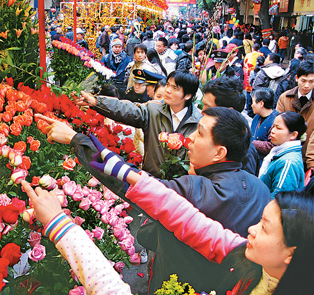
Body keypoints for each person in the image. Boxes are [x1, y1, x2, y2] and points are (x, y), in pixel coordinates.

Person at [35, 107, 271, 294]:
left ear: (219, 153)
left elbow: (131, 183)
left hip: (176, 282)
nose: (188, 138)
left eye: (199, 132)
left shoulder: (194, 189)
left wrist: (77, 140)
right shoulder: (261, 190)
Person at [70, 70, 201, 178]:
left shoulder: (199, 123)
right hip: (151, 180)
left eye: (175, 88)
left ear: (188, 95)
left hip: (181, 189)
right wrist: (96, 101)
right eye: (167, 85)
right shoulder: (153, 109)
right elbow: (125, 109)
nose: (168, 90)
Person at [202, 74, 260, 175]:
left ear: (229, 111)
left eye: (208, 107)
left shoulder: (245, 151)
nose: (202, 111)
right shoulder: (214, 136)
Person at [276, 61, 314, 170]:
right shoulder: (285, 98)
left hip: (309, 157)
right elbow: (278, 125)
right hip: (286, 155)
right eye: (304, 81)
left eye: (311, 81)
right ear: (297, 78)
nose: (307, 85)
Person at [259, 112, 306, 198]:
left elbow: (280, 199)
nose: (272, 131)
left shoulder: (288, 163)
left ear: (294, 135)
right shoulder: (281, 154)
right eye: (273, 127)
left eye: (278, 128)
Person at [251, 88, 279, 162]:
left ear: (261, 104)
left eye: (253, 102)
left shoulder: (277, 120)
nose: (251, 105)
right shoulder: (257, 116)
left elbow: (274, 145)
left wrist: (253, 143)